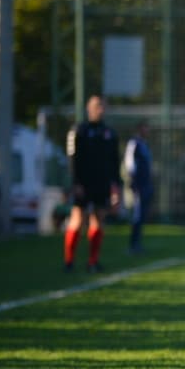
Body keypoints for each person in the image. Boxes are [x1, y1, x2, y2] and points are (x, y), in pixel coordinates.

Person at [64, 94, 122, 274]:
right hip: (83, 183)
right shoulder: (79, 130)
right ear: (89, 108)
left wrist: (115, 186)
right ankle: (69, 261)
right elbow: (73, 159)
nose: (101, 109)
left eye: (103, 106)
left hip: (102, 183)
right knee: (78, 219)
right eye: (97, 106)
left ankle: (93, 261)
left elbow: (114, 162)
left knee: (98, 219)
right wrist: (76, 183)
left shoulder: (110, 133)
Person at [123, 120, 154, 253]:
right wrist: (133, 181)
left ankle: (138, 243)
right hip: (138, 185)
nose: (148, 131)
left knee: (142, 215)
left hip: (146, 184)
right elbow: (129, 163)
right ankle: (133, 244)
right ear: (140, 129)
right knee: (137, 214)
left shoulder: (144, 144)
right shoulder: (134, 143)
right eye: (146, 128)